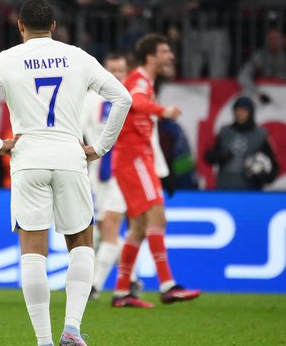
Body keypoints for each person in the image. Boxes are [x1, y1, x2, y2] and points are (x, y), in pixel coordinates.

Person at [0, 0, 131, 346]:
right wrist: (99, 147)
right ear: (54, 26)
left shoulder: (3, 61)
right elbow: (123, 97)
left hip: (28, 157)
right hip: (70, 157)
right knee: (82, 244)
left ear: (20, 26)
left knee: (33, 251)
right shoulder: (79, 57)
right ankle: (72, 328)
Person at [111, 34, 201, 308]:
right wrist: (163, 110)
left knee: (138, 226)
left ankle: (121, 291)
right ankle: (167, 285)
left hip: (132, 159)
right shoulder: (139, 80)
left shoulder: (145, 80)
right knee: (157, 218)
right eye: (165, 51)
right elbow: (135, 102)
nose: (170, 55)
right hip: (135, 158)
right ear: (150, 56)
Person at [80, 52, 149, 300]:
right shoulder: (89, 99)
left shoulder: (131, 99)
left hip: (124, 169)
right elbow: (80, 131)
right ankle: (131, 278)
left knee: (110, 224)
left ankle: (94, 285)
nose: (116, 75)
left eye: (120, 70)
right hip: (98, 172)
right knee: (100, 228)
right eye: (111, 70)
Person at [204, 97, 279, 190]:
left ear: (251, 113)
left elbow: (273, 165)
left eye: (244, 111)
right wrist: (219, 156)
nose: (240, 114)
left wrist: (263, 177)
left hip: (250, 190)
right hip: (225, 187)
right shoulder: (225, 132)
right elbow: (208, 155)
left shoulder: (261, 135)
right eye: (237, 110)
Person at [237, 28, 286, 104]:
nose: (272, 41)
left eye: (275, 38)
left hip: (283, 96)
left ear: (283, 40)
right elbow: (243, 76)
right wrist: (257, 91)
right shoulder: (260, 56)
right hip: (264, 96)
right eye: (270, 38)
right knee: (246, 95)